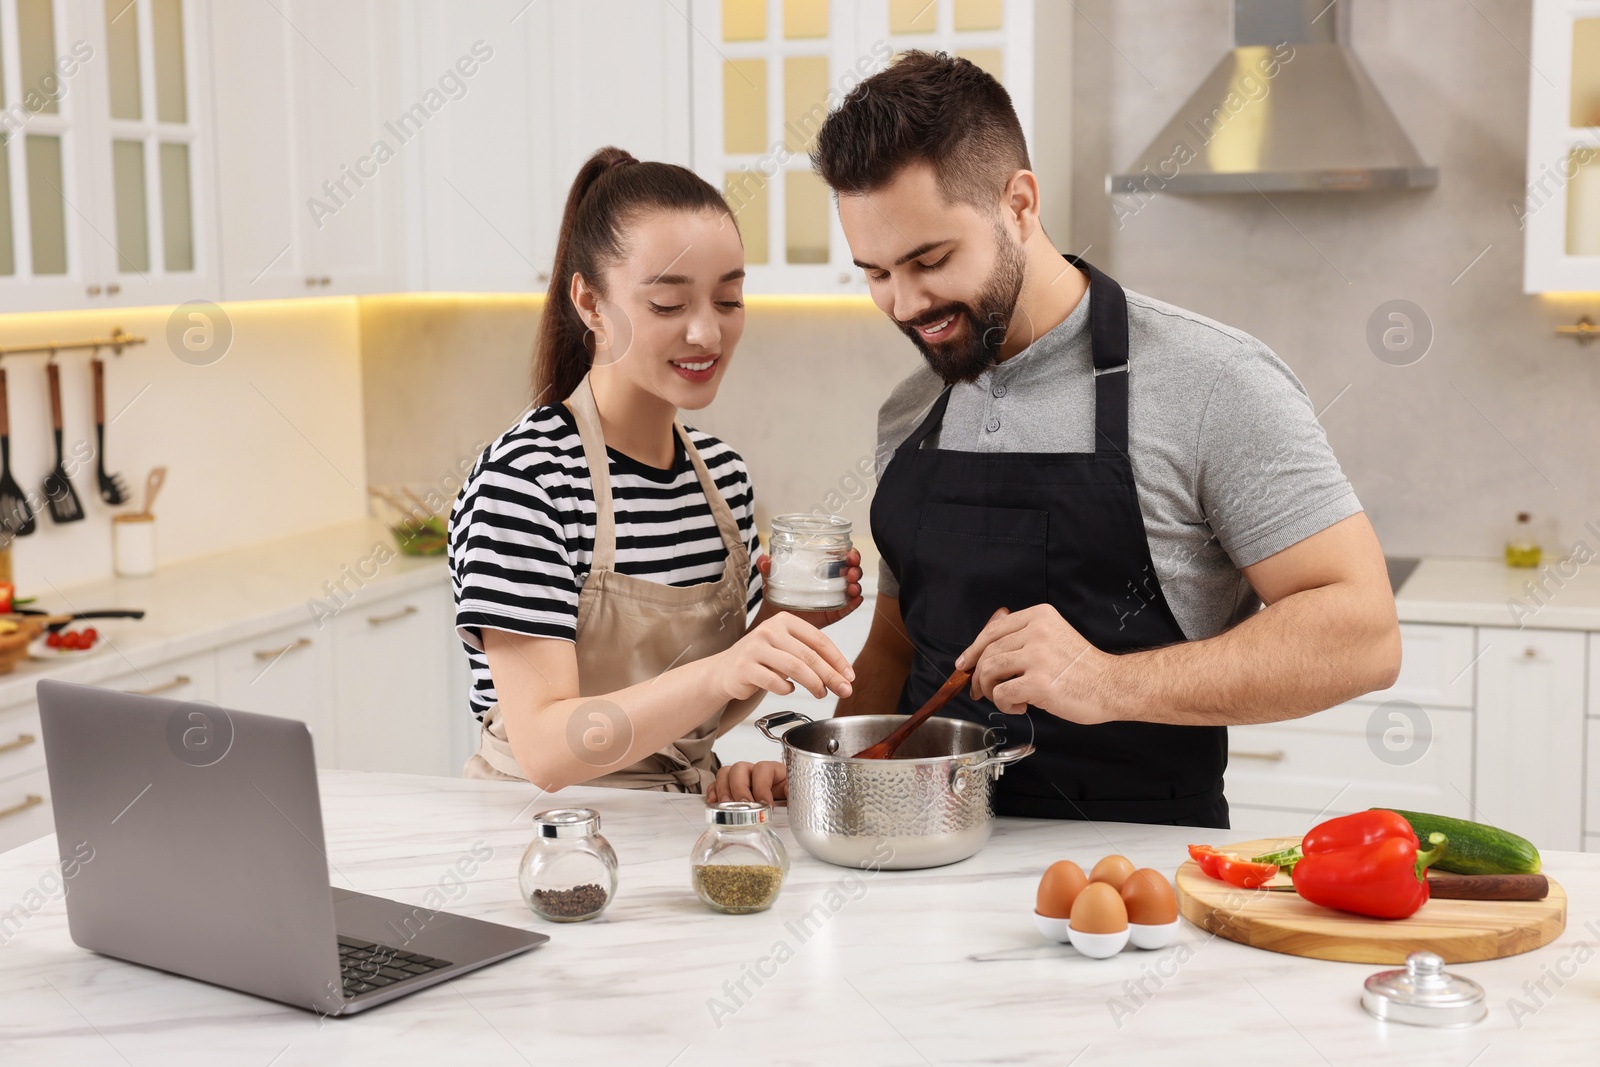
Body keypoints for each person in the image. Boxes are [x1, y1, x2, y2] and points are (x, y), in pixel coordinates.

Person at [712, 53, 1399, 826]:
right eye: (875, 273)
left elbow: (1363, 632)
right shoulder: (911, 409)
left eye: (931, 260)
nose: (905, 304)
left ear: (1021, 204)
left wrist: (1109, 682)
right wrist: (816, 773)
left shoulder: (1212, 380)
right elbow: (901, 648)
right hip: (918, 863)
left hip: (1128, 884)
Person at [450, 147, 862, 794]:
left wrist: (784, 621)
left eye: (729, 298)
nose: (707, 332)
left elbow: (700, 713)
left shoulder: (723, 478)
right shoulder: (527, 481)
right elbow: (546, 750)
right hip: (544, 843)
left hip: (679, 822)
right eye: (669, 304)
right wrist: (727, 668)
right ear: (590, 303)